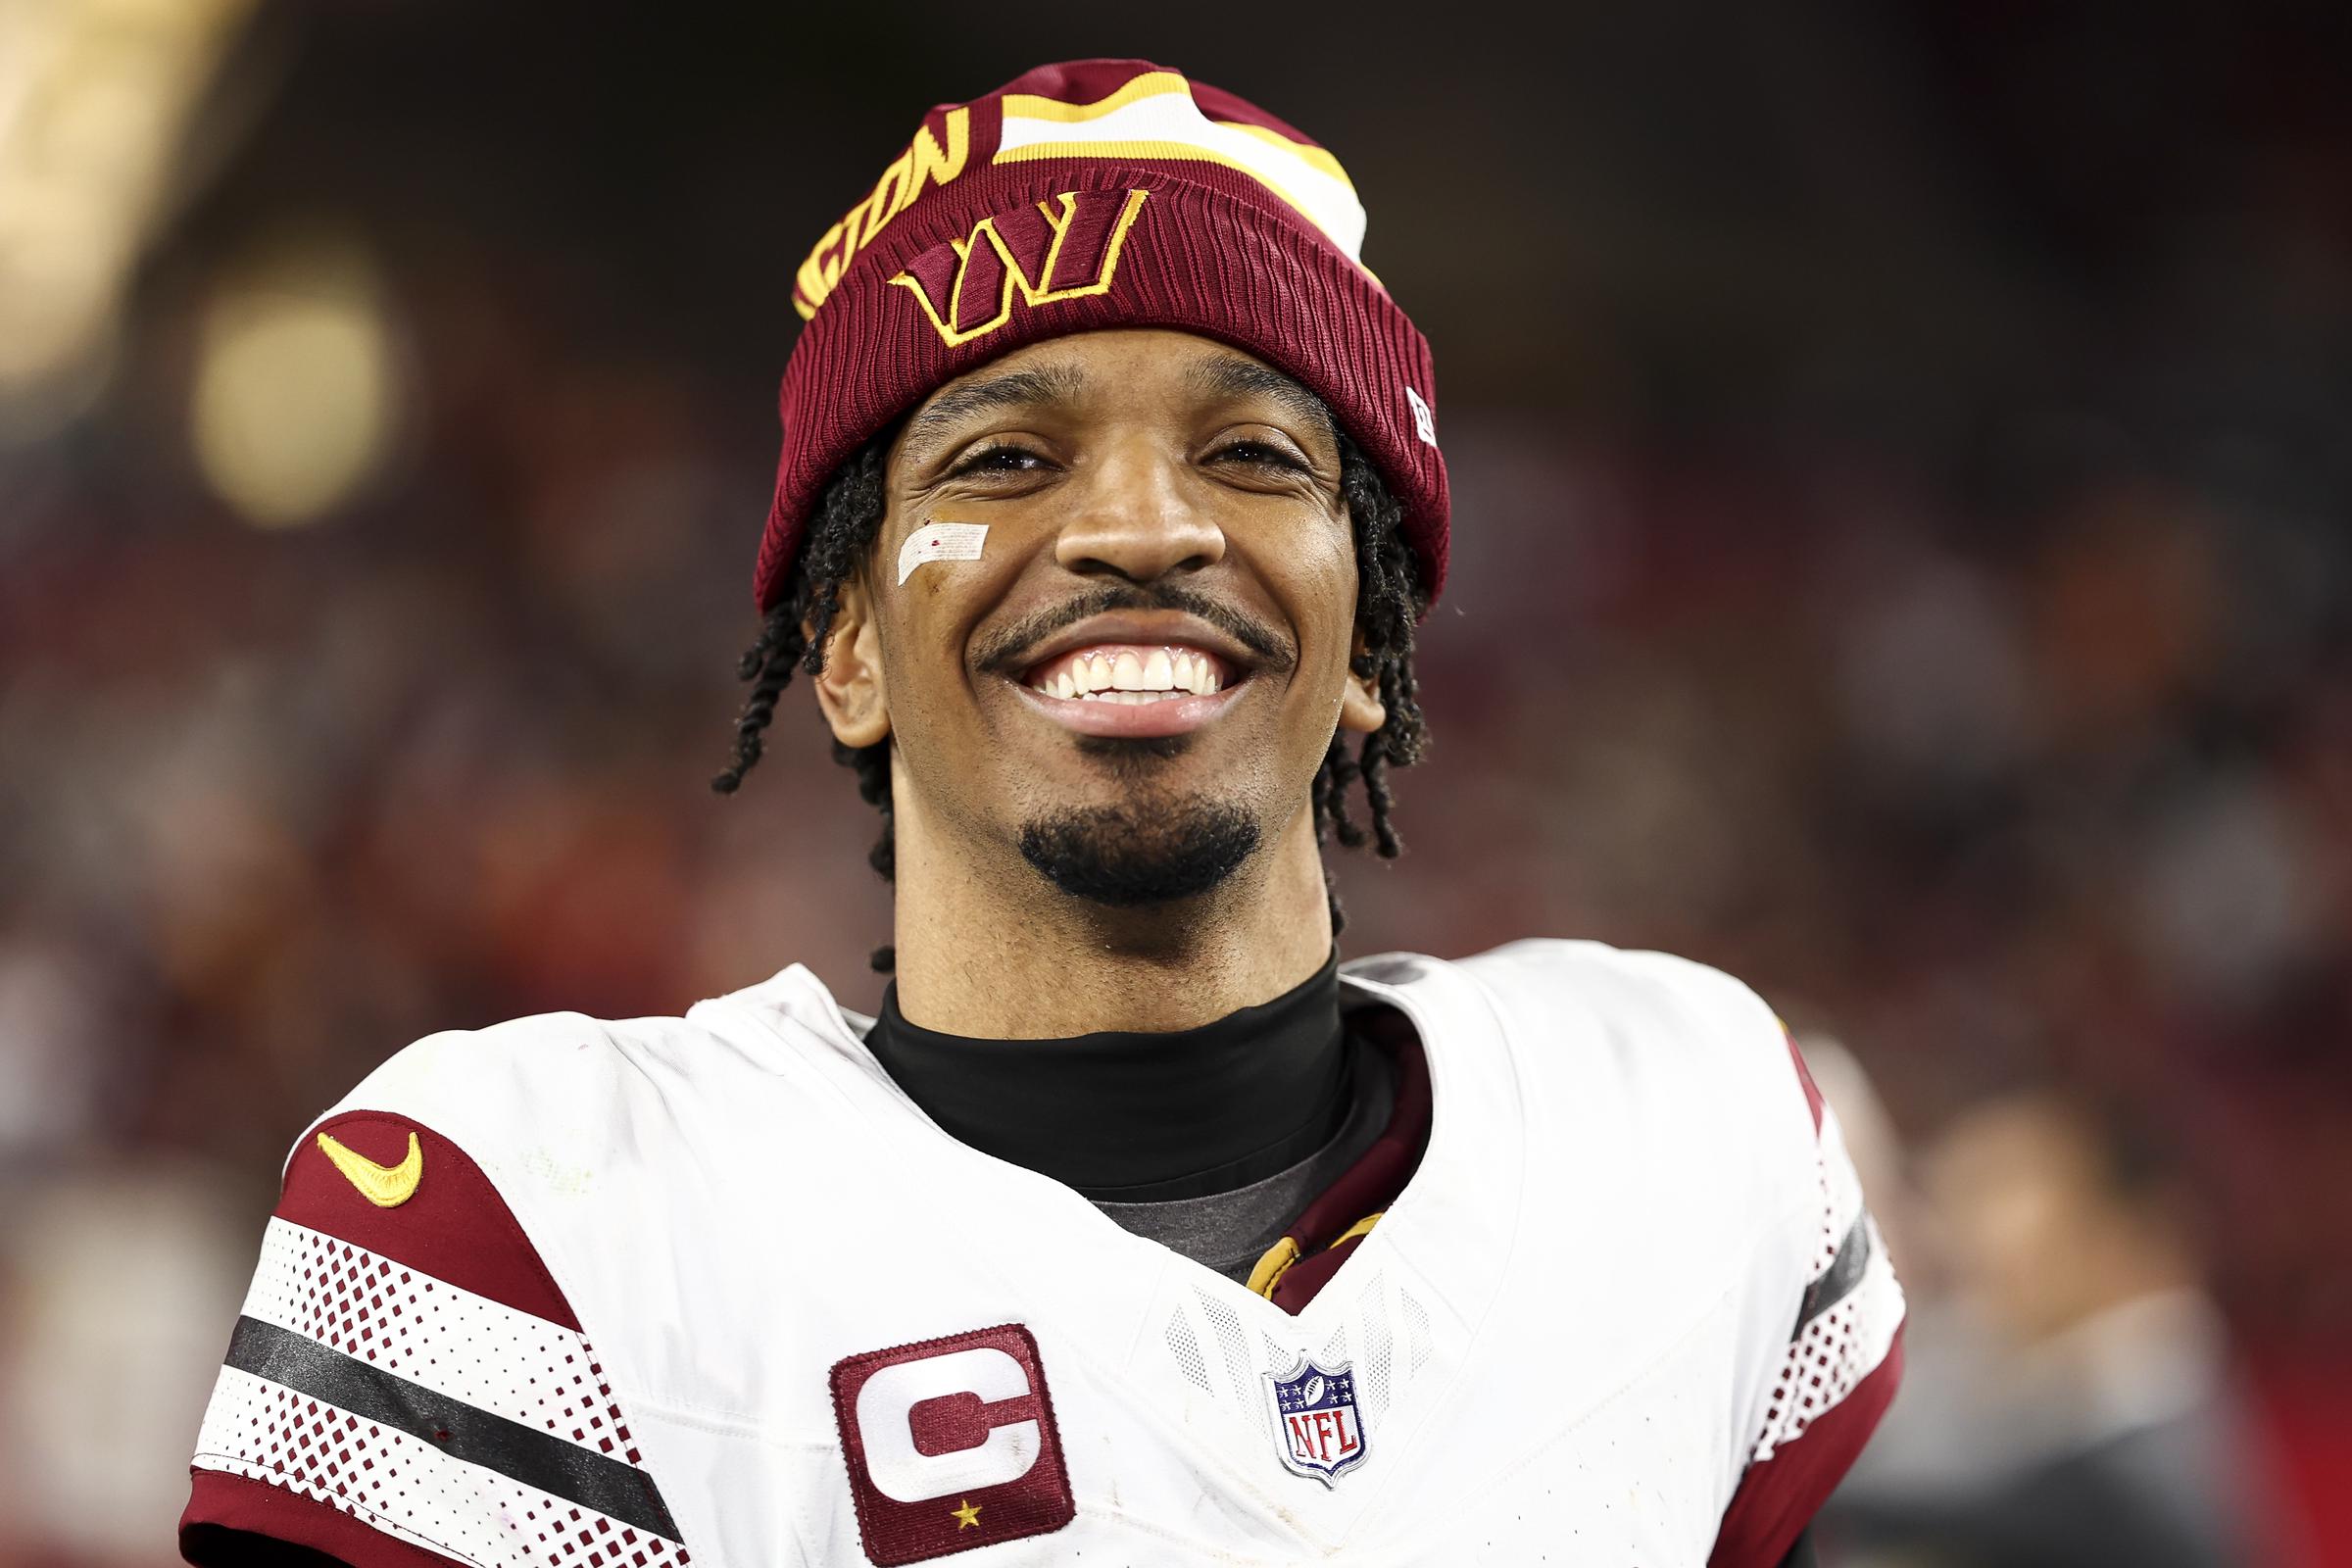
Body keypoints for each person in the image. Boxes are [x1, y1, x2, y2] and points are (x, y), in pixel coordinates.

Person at [178, 60, 1904, 1567]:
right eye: (1005, 459)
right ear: (843, 646)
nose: (1145, 529)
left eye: (1257, 456)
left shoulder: (1678, 1128)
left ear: (1371, 634)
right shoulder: (549, 1219)